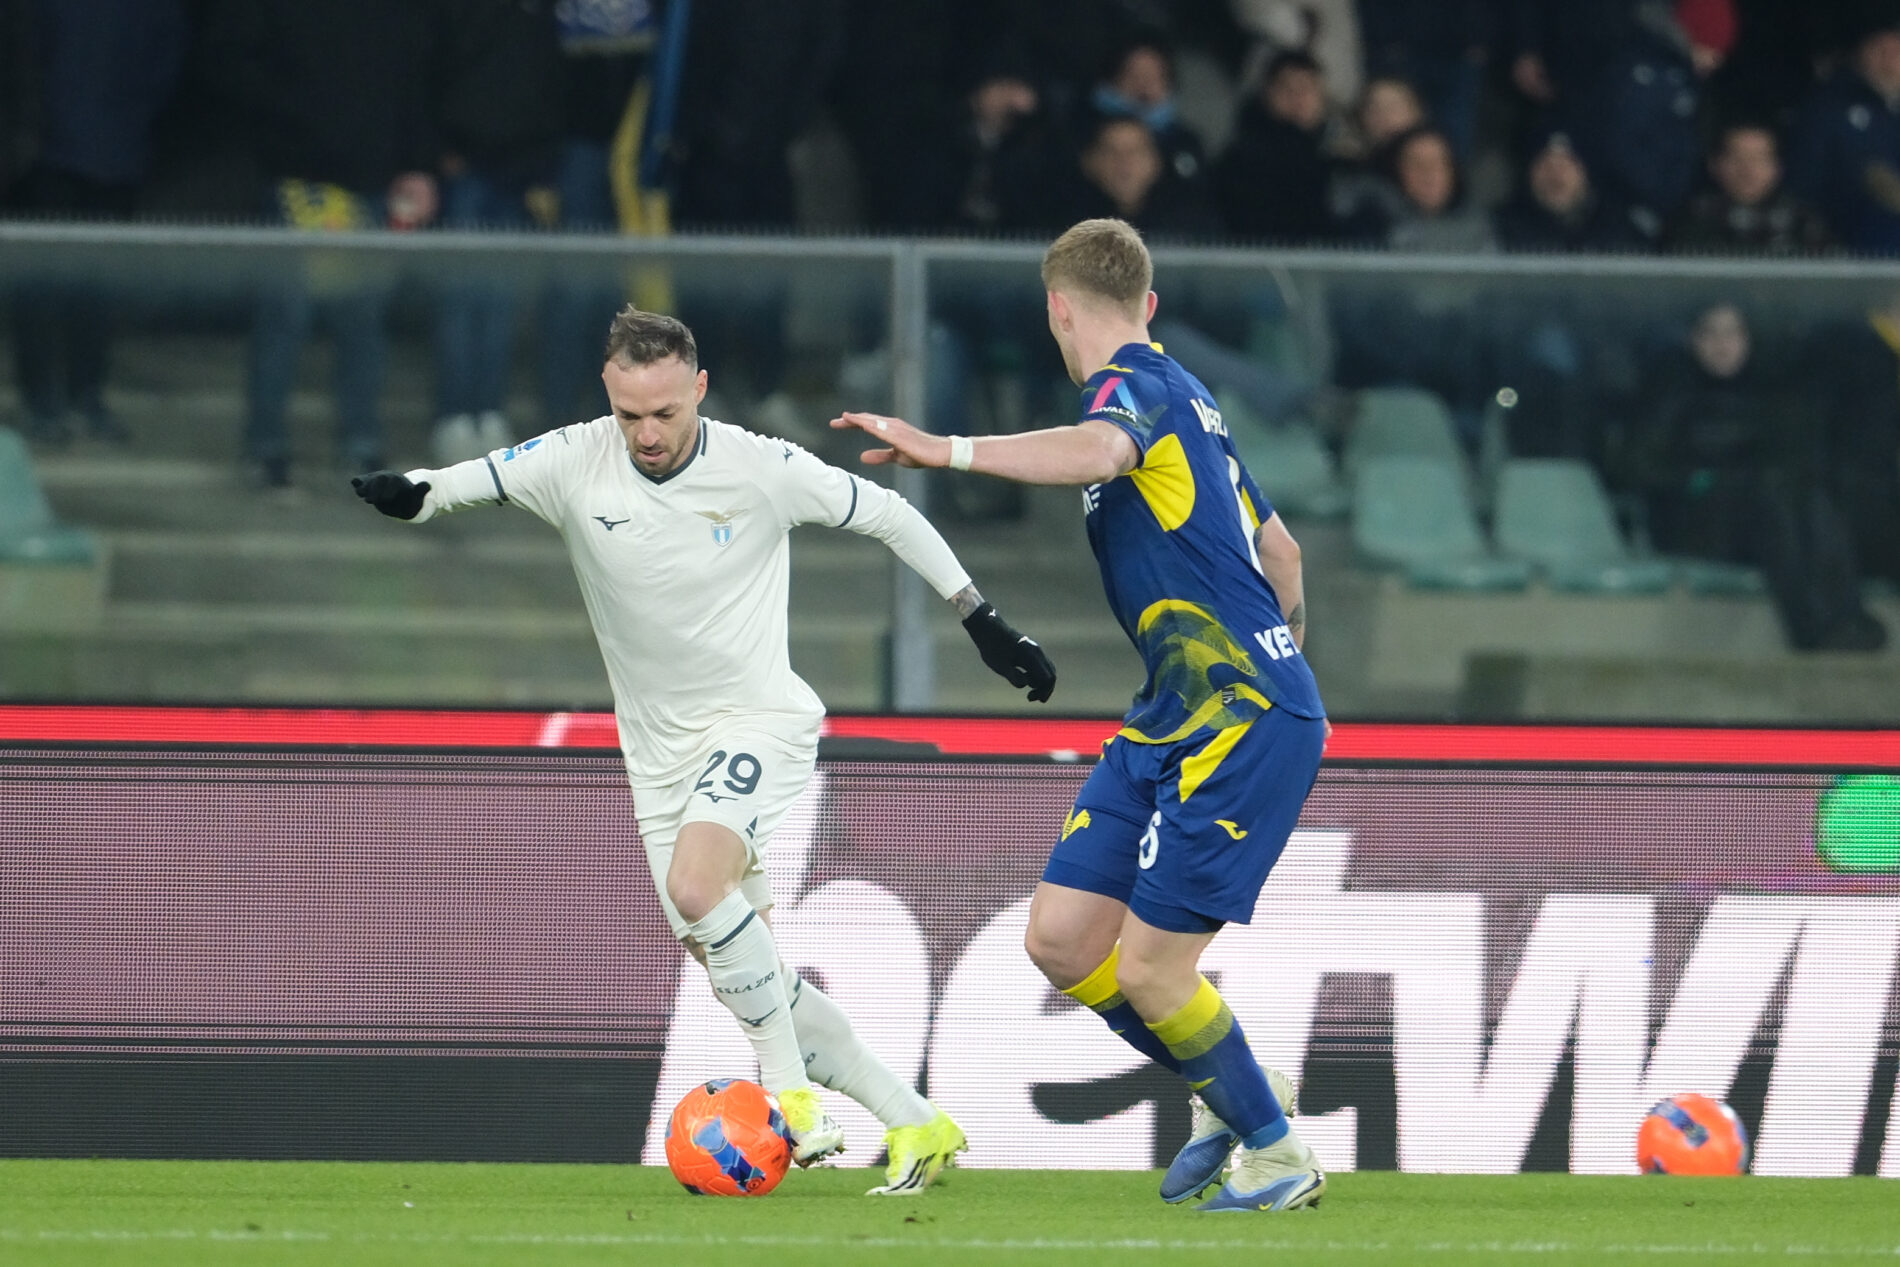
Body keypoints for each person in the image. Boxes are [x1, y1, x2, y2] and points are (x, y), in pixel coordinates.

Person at [350, 307, 1055, 1193]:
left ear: (700, 391)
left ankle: (791, 1098)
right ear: (609, 396)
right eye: (630, 415)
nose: (647, 434)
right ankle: (916, 1121)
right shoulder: (572, 458)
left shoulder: (761, 466)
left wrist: (981, 619)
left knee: (697, 886)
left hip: (759, 721)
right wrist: (404, 489)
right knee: (738, 964)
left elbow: (887, 514)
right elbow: (455, 483)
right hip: (656, 757)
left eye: (666, 414)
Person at [833, 218, 1330, 1212]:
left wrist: (948, 449)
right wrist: (1273, 656)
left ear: (1057, 308)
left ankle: (1277, 1155)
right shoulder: (1197, 402)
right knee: (1062, 939)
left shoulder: (1133, 390)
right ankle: (1230, 1087)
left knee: (1151, 968)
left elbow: (1100, 450)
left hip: (1234, 717)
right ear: (1146, 301)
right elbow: (1285, 557)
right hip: (1173, 711)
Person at [6, 0, 187, 448]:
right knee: (77, 286)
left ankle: (57, 400)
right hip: (90, 152)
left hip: (69, 151)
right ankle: (70, 399)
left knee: (61, 286)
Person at [1667, 122, 1833, 254]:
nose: (1747, 171)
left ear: (1777, 166)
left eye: (1759, 159)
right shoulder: (1691, 222)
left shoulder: (1805, 224)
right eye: (1737, 158)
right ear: (1714, 164)